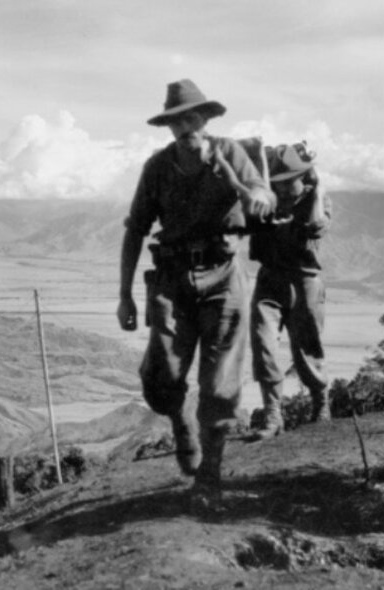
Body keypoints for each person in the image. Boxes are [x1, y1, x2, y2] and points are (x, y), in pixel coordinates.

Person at [117, 79, 275, 494]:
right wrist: (124, 295)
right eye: (175, 121)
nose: (184, 126)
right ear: (168, 126)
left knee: (220, 381)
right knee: (163, 374)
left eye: (191, 117)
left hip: (224, 274)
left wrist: (258, 197)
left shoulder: (230, 154)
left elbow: (260, 190)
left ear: (205, 119)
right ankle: (179, 421)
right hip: (172, 278)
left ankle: (210, 477)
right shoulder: (157, 168)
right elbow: (135, 230)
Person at [249, 142, 333, 439]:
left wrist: (319, 187)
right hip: (269, 280)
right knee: (263, 344)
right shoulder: (268, 200)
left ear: (306, 176)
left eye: (289, 183)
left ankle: (321, 404)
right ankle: (273, 417)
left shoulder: (318, 200)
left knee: (306, 348)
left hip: (305, 281)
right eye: (278, 184)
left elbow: (314, 226)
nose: (283, 190)